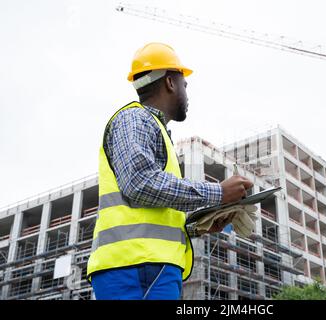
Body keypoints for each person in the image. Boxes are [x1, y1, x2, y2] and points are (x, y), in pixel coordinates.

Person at [86, 42, 253, 300]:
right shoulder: (135, 119)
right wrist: (218, 192)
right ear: (170, 83)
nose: (187, 93)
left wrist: (198, 225)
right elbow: (140, 183)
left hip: (147, 266)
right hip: (134, 267)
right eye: (185, 84)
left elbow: (150, 212)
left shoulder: (153, 129)